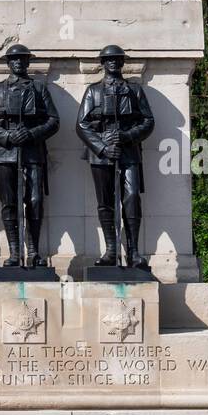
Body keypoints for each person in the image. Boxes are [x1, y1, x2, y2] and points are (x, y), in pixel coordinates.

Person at [0, 45, 60, 267]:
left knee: (34, 201)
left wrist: (32, 133)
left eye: (22, 59)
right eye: (14, 59)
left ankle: (33, 250)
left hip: (32, 151)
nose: (18, 62)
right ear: (8, 63)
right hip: (6, 152)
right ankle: (15, 251)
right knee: (9, 202)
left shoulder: (39, 88)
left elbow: (53, 120)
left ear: (28, 63)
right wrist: (7, 136)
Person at [76, 45, 154, 269]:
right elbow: (81, 125)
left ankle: (133, 251)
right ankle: (111, 250)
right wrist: (102, 147)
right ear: (102, 63)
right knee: (105, 202)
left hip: (128, 152)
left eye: (117, 59)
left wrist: (128, 135)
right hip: (100, 154)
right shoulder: (93, 91)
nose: (112, 62)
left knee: (131, 198)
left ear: (122, 63)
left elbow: (148, 121)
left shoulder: (134, 90)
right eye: (108, 59)